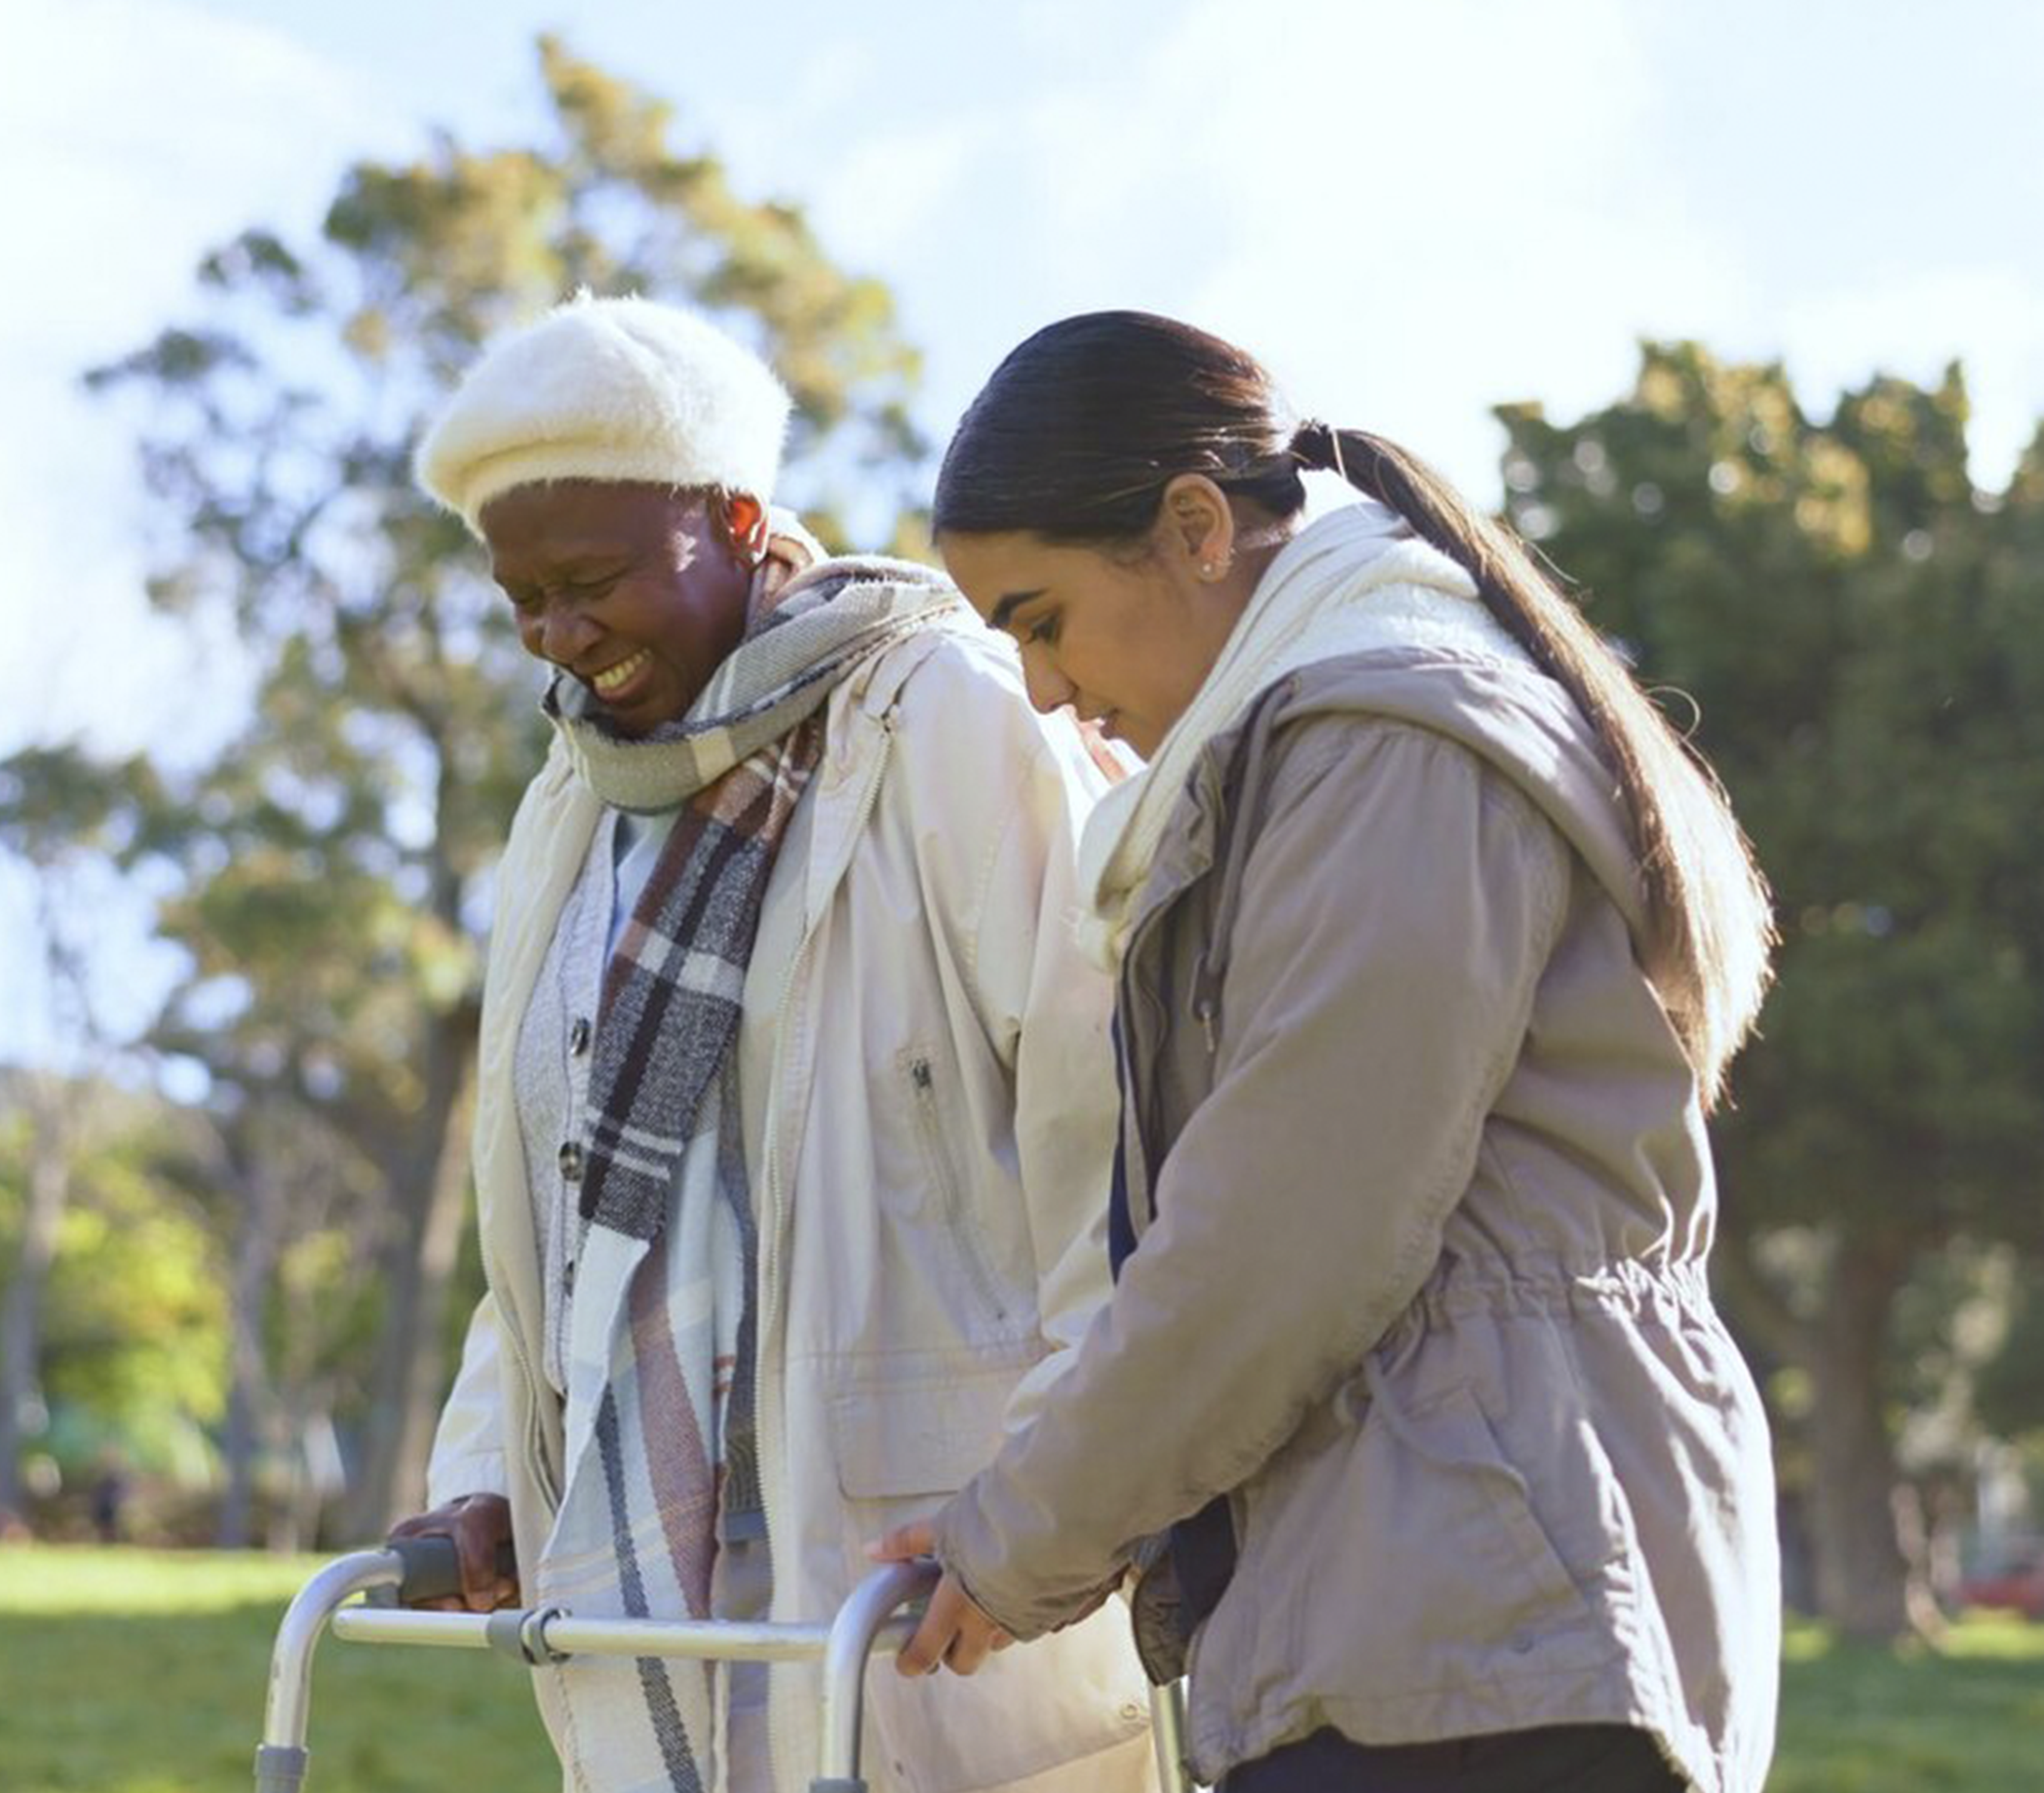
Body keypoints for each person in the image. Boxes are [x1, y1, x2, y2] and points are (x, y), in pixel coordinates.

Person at [880, 312, 1782, 1793]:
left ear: (1190, 528)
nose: (1039, 689)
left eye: (1041, 619)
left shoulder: (1387, 746)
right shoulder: (1333, 740)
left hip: (1487, 1615)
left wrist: (1022, 1536)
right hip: (1450, 1604)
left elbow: (1280, 1234)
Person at [393, 295, 1157, 1793]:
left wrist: (1060, 1505)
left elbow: (1110, 1138)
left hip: (930, 1581)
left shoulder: (940, 712)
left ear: (737, 518)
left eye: (592, 580)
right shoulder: (570, 802)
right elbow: (552, 1216)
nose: (560, 638)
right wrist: (480, 1474)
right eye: (521, 599)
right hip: (663, 1602)